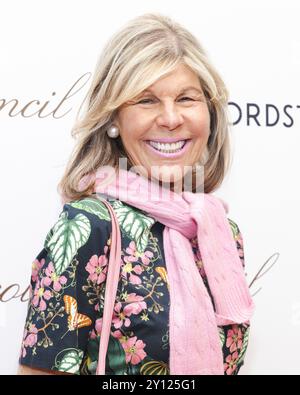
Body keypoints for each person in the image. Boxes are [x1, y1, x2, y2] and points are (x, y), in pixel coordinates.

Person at [18, 12, 254, 376]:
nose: (171, 118)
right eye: (146, 101)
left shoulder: (222, 232)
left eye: (187, 98)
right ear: (113, 119)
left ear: (209, 113)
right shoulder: (88, 226)